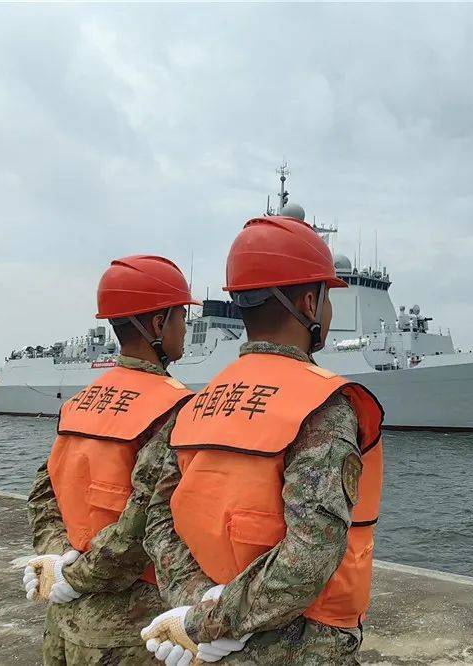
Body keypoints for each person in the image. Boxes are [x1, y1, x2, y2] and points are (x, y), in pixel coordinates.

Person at [140, 215, 383, 665]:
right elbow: (312, 552)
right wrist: (210, 619)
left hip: (205, 647)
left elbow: (158, 518)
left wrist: (197, 606)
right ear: (310, 303)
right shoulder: (321, 405)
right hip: (302, 647)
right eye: (328, 297)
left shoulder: (196, 405)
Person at [24, 256, 198, 665]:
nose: (184, 329)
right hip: (129, 633)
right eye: (180, 318)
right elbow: (144, 524)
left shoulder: (79, 404)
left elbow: (43, 493)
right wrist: (76, 575)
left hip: (62, 624)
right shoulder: (174, 409)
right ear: (158, 325)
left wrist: (57, 560)